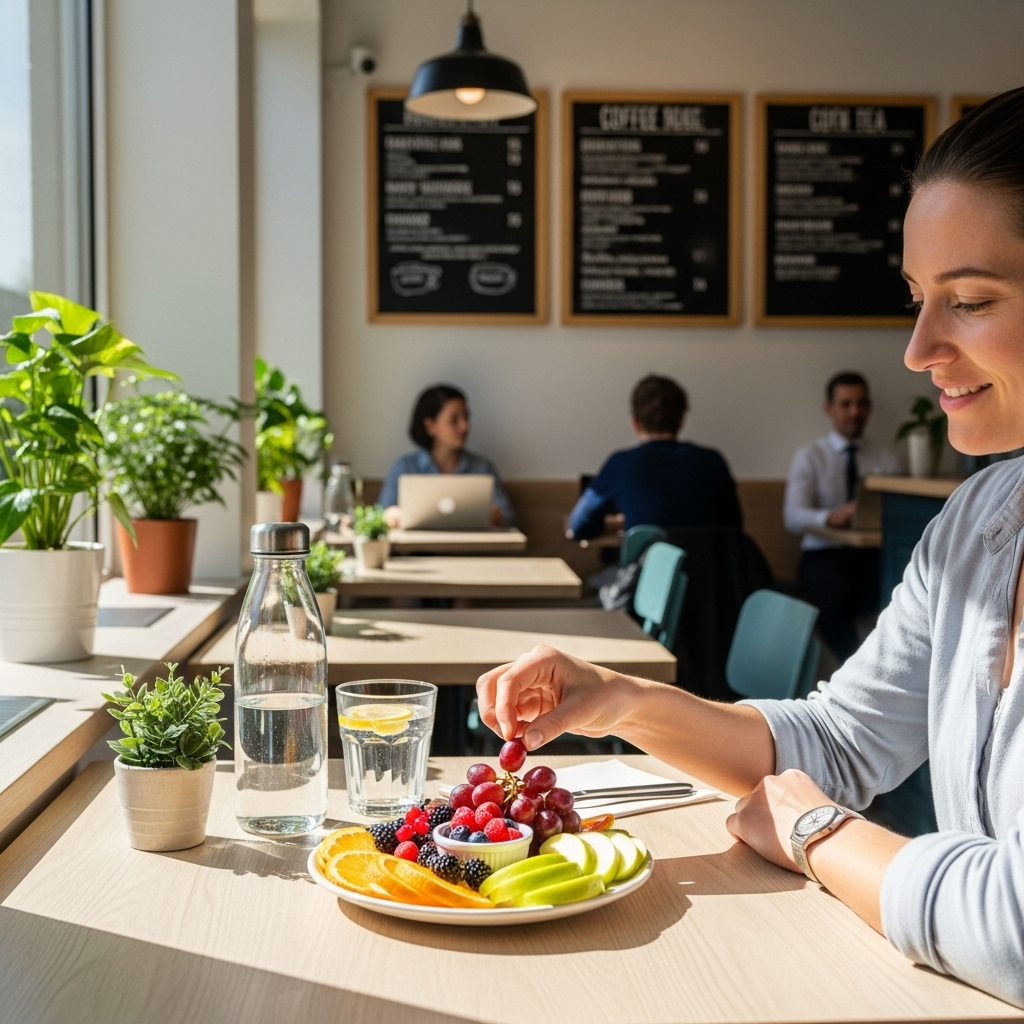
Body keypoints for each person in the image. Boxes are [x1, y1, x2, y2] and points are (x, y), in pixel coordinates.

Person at [475, 87, 1024, 1009]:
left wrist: (818, 832)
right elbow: (842, 740)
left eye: (969, 301)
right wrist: (621, 699)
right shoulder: (977, 526)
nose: (918, 347)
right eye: (918, 298)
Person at [784, 372, 901, 660]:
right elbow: (793, 516)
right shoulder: (810, 456)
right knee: (829, 599)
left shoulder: (886, 458)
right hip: (824, 555)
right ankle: (860, 672)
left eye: (861, 404)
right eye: (846, 404)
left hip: (872, 556)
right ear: (829, 408)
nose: (854, 412)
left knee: (904, 592)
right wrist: (829, 517)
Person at [567, 374, 742, 539]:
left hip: (648, 569)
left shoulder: (621, 464)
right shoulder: (713, 462)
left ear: (635, 422)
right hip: (707, 569)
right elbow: (734, 527)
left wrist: (623, 523)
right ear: (682, 419)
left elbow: (579, 525)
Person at [380, 384, 515, 527]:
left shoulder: (482, 468)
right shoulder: (405, 467)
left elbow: (508, 517)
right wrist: (391, 515)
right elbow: (382, 515)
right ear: (430, 426)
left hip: (470, 548)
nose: (465, 427)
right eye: (454, 420)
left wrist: (496, 515)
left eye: (466, 417)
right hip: (419, 548)